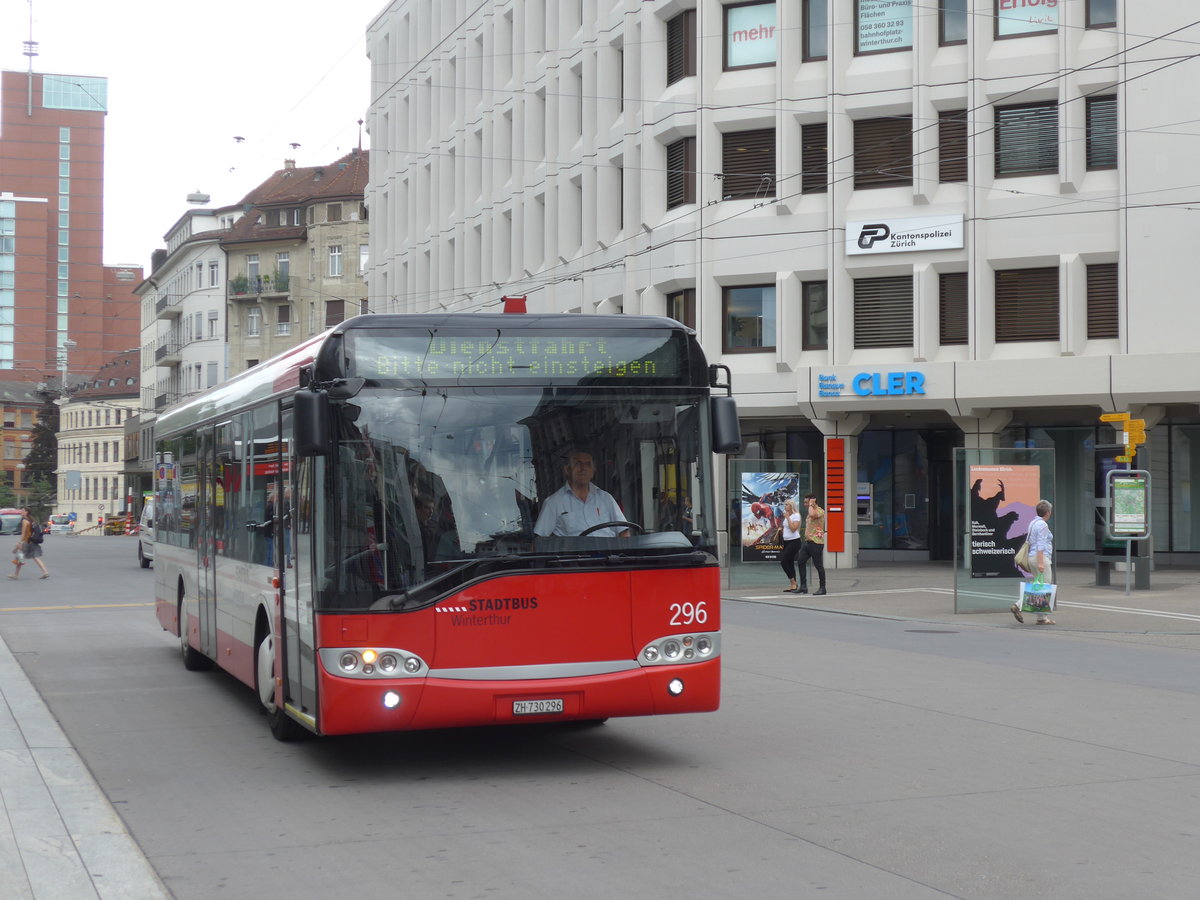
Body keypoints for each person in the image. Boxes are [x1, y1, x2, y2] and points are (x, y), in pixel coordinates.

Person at [534, 448, 629, 537]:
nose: (583, 468)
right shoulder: (553, 503)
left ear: (593, 471)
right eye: (577, 463)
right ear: (567, 470)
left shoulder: (606, 499)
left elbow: (624, 532)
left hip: (610, 553)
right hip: (574, 554)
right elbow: (539, 540)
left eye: (588, 464)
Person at [1012, 499, 1055, 625]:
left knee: (1039, 585)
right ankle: (1018, 605)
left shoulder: (1033, 523)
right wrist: (1041, 563)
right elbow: (1040, 545)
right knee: (1045, 586)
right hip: (1040, 558)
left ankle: (1041, 618)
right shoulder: (1042, 525)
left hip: (1032, 558)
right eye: (1050, 511)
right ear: (1047, 513)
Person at [794, 494, 827, 595]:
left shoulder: (819, 511)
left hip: (816, 542)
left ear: (813, 501)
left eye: (806, 502)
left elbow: (813, 515)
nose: (805, 504)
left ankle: (822, 588)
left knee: (818, 565)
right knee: (800, 561)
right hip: (808, 542)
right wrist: (810, 505)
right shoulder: (810, 511)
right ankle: (803, 586)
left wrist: (811, 504)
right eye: (804, 502)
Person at [8, 508, 50, 580]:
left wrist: (20, 543)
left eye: (23, 510)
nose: (21, 511)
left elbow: (24, 533)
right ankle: (45, 572)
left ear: (26, 512)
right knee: (35, 557)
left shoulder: (24, 521)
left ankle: (16, 575)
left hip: (26, 542)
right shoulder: (32, 520)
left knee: (20, 557)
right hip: (33, 541)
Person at [779, 499, 804, 592]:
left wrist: (788, 518)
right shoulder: (787, 516)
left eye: (787, 505)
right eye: (785, 505)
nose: (785, 506)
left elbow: (793, 528)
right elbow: (787, 527)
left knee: (784, 561)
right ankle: (793, 584)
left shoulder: (795, 515)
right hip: (786, 541)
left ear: (791, 506)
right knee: (789, 562)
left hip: (794, 541)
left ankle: (793, 582)